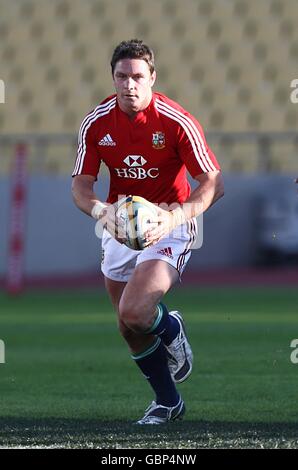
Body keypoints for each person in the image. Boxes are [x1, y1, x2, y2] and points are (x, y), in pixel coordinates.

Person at [72, 39, 224, 424]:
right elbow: (81, 187)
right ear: (113, 78)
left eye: (138, 76)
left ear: (152, 78)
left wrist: (172, 220)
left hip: (171, 220)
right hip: (120, 223)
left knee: (137, 309)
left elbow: (213, 183)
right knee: (129, 325)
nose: (129, 85)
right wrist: (103, 214)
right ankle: (168, 402)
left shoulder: (176, 121)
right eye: (122, 76)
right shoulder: (96, 123)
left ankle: (171, 328)